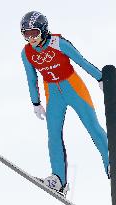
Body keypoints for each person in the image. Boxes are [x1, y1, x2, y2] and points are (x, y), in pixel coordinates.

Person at [20, 11, 110, 196]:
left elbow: (81, 61)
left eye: (34, 33)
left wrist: (100, 78)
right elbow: (31, 79)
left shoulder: (57, 43)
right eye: (26, 34)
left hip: (73, 87)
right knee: (53, 134)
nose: (31, 38)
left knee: (92, 126)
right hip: (52, 93)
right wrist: (36, 103)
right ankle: (58, 180)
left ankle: (111, 162)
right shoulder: (27, 52)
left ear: (43, 31)